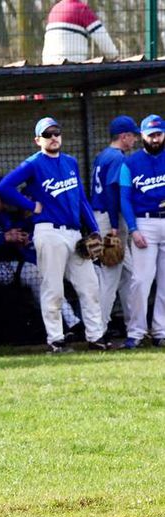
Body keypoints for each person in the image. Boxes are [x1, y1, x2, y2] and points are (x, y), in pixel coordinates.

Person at [0, 116, 107, 352]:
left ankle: (96, 337)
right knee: (53, 288)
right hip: (49, 232)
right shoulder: (33, 163)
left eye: (56, 132)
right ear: (38, 140)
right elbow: (3, 187)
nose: (54, 137)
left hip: (75, 233)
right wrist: (31, 206)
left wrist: (95, 229)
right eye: (47, 134)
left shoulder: (70, 162)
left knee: (89, 286)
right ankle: (56, 340)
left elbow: (81, 199)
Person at [0, 177, 80, 345]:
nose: (5, 205)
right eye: (2, 201)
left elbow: (22, 234)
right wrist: (2, 238)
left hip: (4, 266)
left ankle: (72, 324)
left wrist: (22, 240)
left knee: (38, 275)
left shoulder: (3, 216)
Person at [119, 114, 165, 348]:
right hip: (144, 222)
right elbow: (124, 199)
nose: (155, 139)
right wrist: (134, 229)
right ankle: (136, 332)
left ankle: (161, 331)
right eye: (150, 135)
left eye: (158, 134)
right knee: (140, 281)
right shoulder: (130, 162)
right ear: (142, 136)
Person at [90, 115, 140, 331]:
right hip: (110, 219)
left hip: (100, 216)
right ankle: (98, 329)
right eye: (133, 136)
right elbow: (112, 192)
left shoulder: (103, 155)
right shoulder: (118, 158)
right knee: (110, 277)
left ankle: (135, 325)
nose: (135, 140)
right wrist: (113, 226)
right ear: (124, 136)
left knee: (131, 274)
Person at [42, 0, 119, 64]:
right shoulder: (82, 9)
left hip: (48, 63)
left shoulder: (55, 9)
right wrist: (113, 55)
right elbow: (102, 37)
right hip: (71, 63)